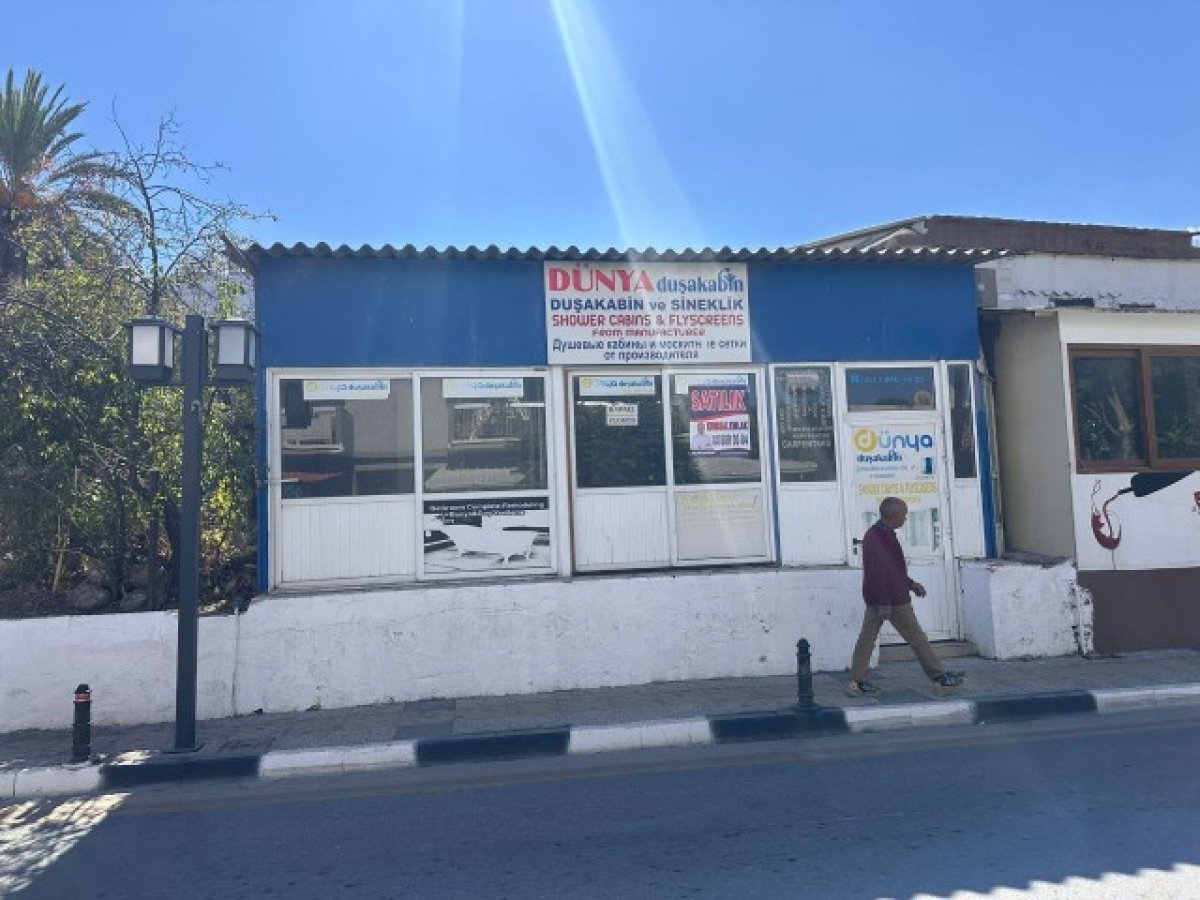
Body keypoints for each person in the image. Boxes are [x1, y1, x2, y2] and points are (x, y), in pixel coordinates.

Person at [847, 497, 963, 696]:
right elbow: (880, 572)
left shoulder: (880, 534)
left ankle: (856, 682)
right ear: (893, 516)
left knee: (867, 638)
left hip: (880, 597)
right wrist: (885, 602)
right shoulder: (879, 538)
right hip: (891, 600)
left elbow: (893, 570)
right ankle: (939, 678)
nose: (905, 518)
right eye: (903, 514)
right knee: (916, 638)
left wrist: (911, 584)